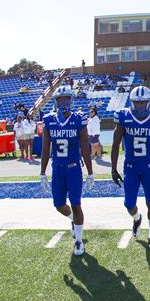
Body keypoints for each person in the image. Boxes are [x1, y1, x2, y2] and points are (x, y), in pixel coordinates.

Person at [111, 86, 150, 253]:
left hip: (149, 165)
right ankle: (137, 218)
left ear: (149, 103)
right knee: (129, 203)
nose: (141, 106)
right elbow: (115, 145)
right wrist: (113, 169)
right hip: (130, 166)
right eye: (137, 103)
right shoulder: (124, 117)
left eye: (143, 102)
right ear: (132, 102)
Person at [40, 87, 94, 256]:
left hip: (74, 169)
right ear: (55, 101)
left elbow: (85, 147)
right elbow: (45, 148)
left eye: (66, 99)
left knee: (76, 204)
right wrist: (42, 173)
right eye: (60, 99)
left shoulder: (79, 118)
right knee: (59, 206)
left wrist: (90, 173)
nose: (63, 102)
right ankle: (73, 221)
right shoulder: (49, 120)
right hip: (57, 169)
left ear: (71, 100)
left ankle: (78, 241)